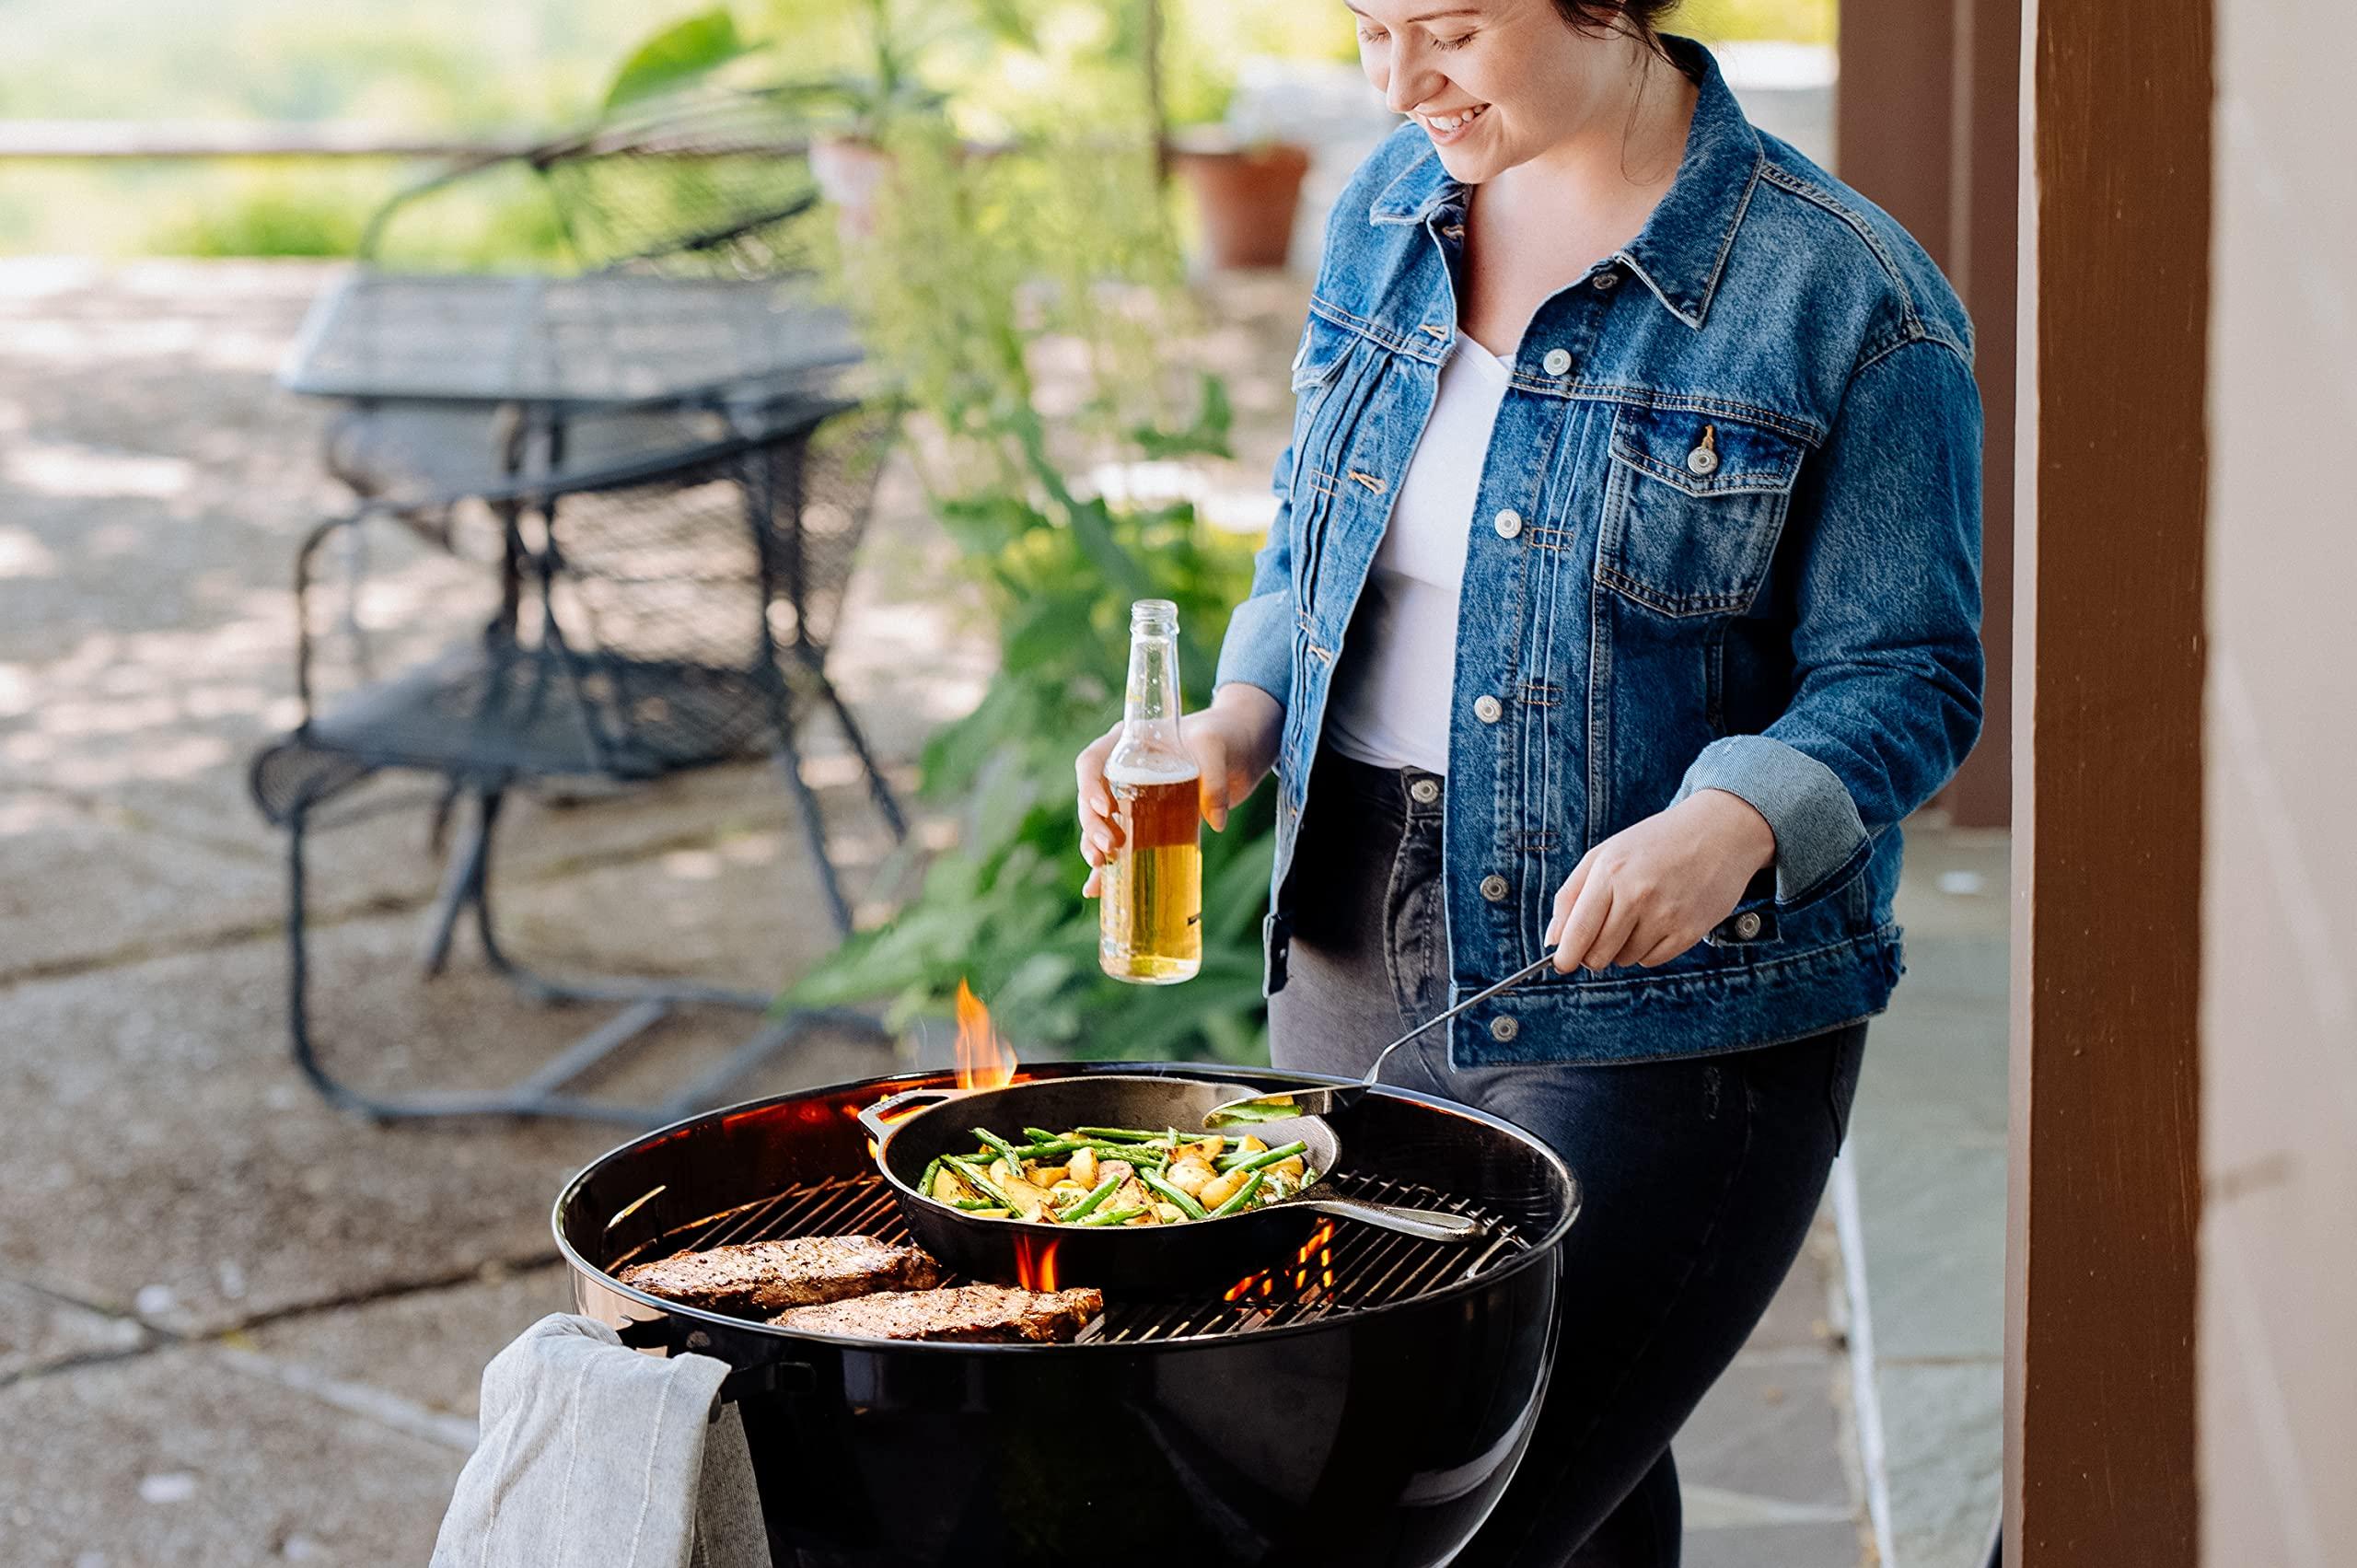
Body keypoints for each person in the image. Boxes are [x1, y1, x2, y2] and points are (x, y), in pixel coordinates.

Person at [1078, 0, 1981, 1560]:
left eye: (1450, 28)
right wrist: (1239, 717)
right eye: (1370, 26)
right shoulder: (1389, 205)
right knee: (1570, 1489)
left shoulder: (1846, 294)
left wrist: (1729, 822)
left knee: (1436, 1520)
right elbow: (1313, 529)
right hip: (1352, 953)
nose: (1399, 82)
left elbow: (1909, 675)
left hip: (1661, 1004)